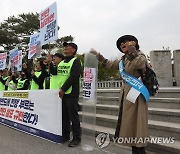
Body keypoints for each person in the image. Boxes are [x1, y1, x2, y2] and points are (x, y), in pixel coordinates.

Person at [91, 35, 148, 154]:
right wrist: (99, 56)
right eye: (121, 43)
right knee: (131, 124)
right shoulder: (123, 60)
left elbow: (140, 64)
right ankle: (136, 150)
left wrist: (132, 49)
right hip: (127, 94)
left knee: (137, 124)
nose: (122, 44)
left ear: (134, 43)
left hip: (137, 93)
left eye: (126, 42)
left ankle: (139, 151)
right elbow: (110, 65)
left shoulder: (139, 54)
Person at [58, 42, 82, 147]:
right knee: (64, 117)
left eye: (68, 47)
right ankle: (65, 135)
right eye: (65, 47)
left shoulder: (76, 61)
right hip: (62, 93)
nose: (65, 48)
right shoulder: (62, 62)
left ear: (73, 50)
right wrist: (49, 63)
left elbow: (74, 76)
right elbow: (56, 74)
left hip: (71, 93)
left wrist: (63, 88)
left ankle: (77, 138)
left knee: (73, 117)